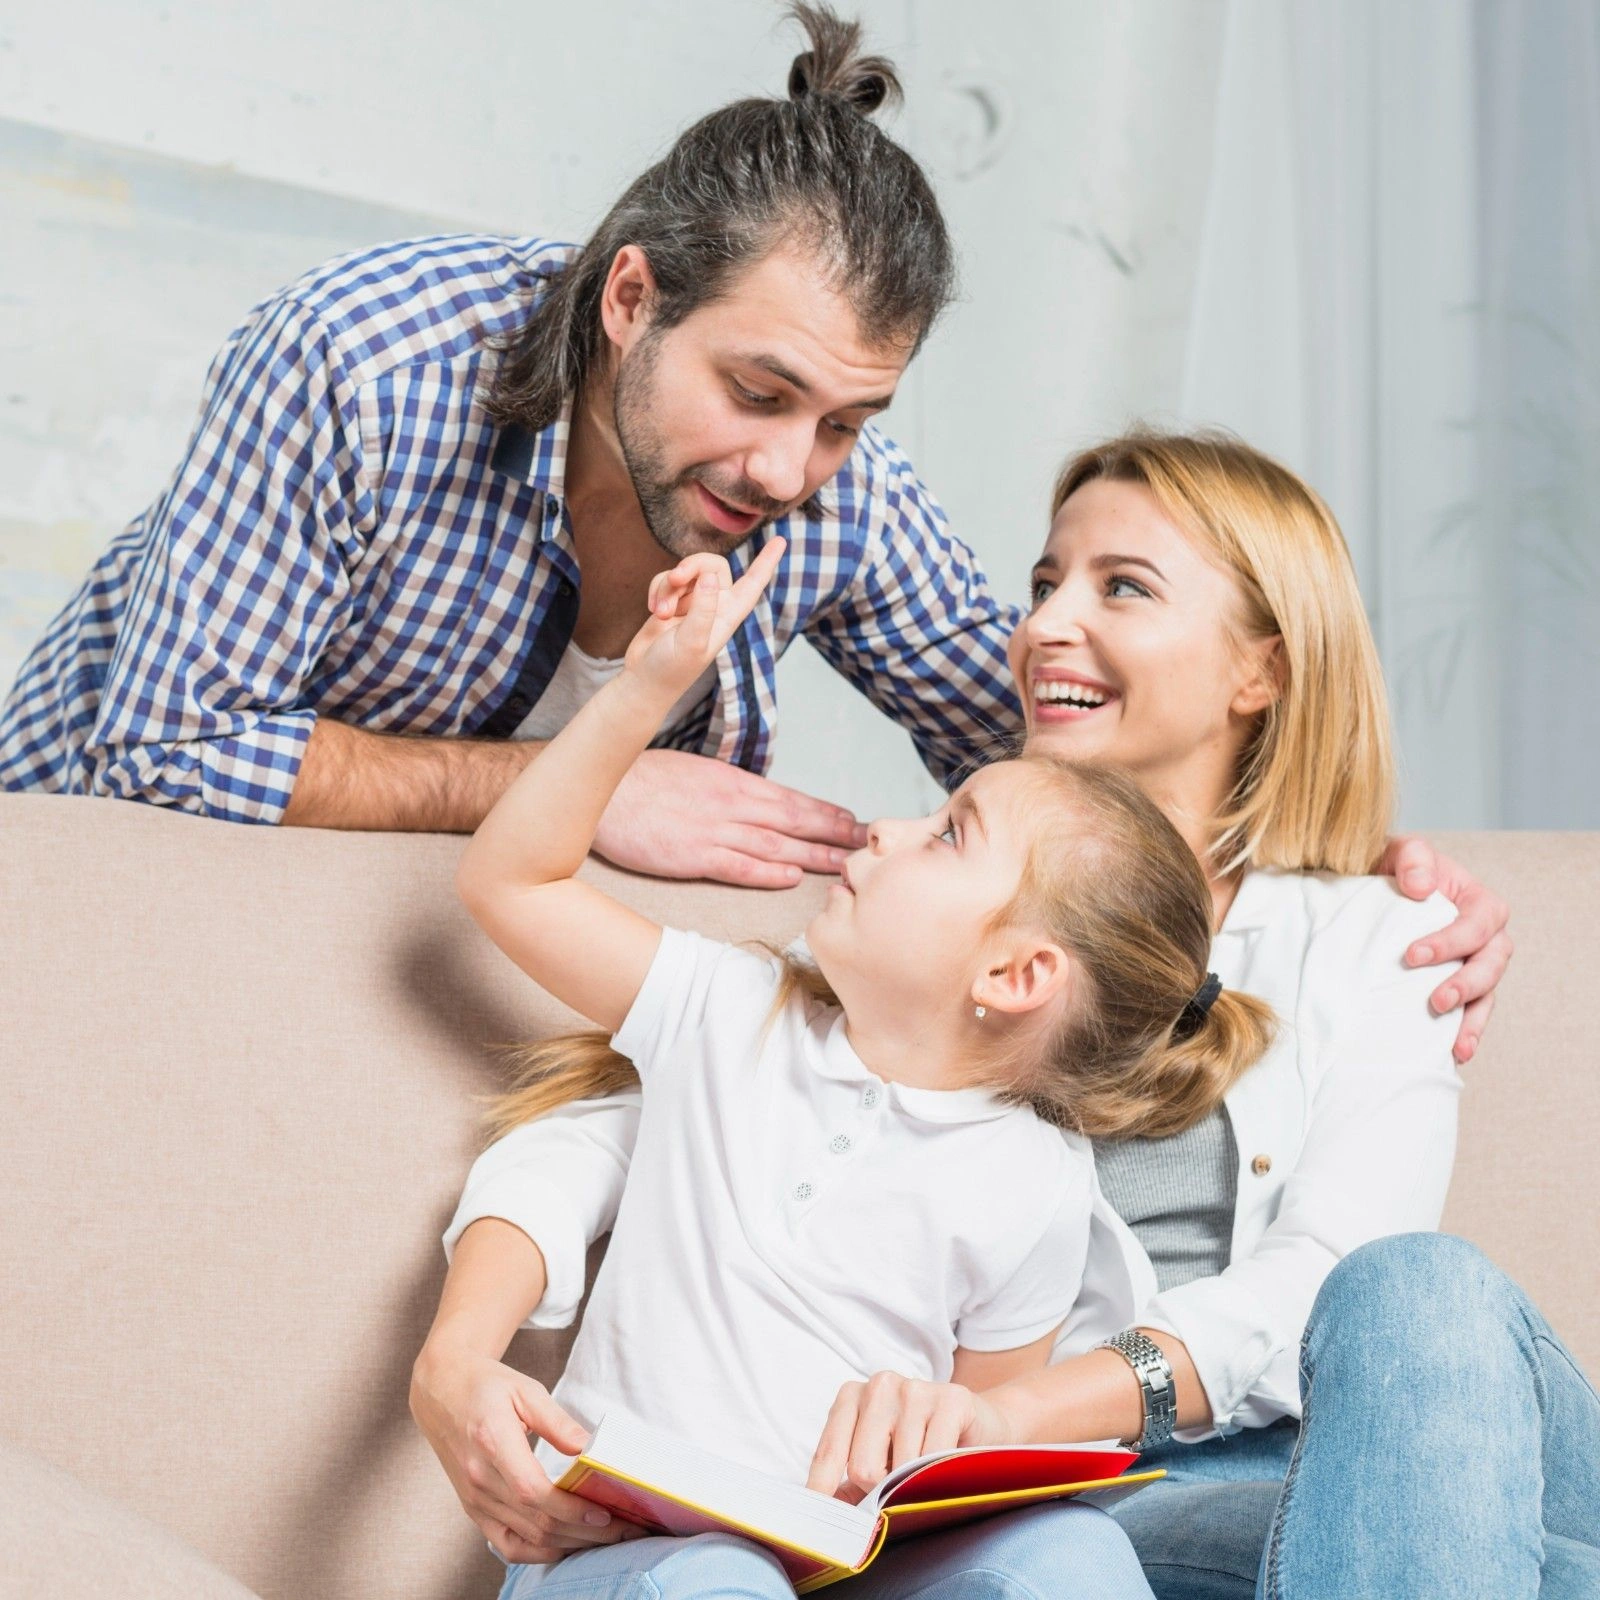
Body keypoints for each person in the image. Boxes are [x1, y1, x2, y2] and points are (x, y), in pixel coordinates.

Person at [409, 431, 1565, 1598]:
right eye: (1043, 583)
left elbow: (1333, 1287)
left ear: (1257, 671)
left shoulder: (1383, 933)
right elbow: (652, 1120)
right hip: (1095, 1502)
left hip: (1330, 1468)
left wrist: (999, 1408)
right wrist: (456, 1358)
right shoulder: (912, 917)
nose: (1045, 624)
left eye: (1121, 586)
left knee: (1426, 1298)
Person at [436, 531, 1278, 1598]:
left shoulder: (1036, 1182)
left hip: (839, 1571)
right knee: (712, 1582)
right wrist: (646, 689)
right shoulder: (723, 1012)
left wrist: (934, 1454)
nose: (886, 829)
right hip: (624, 1553)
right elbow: (510, 883)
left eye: (946, 835)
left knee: (1075, 1553)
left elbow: (980, 1456)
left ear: (1016, 975)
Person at [0, 5, 1012, 889]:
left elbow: (1025, 746)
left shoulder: (843, 493)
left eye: (845, 422)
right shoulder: (363, 369)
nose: (789, 471)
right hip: (81, 894)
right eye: (756, 393)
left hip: (431, 967)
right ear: (630, 299)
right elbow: (167, 753)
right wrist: (584, 781)